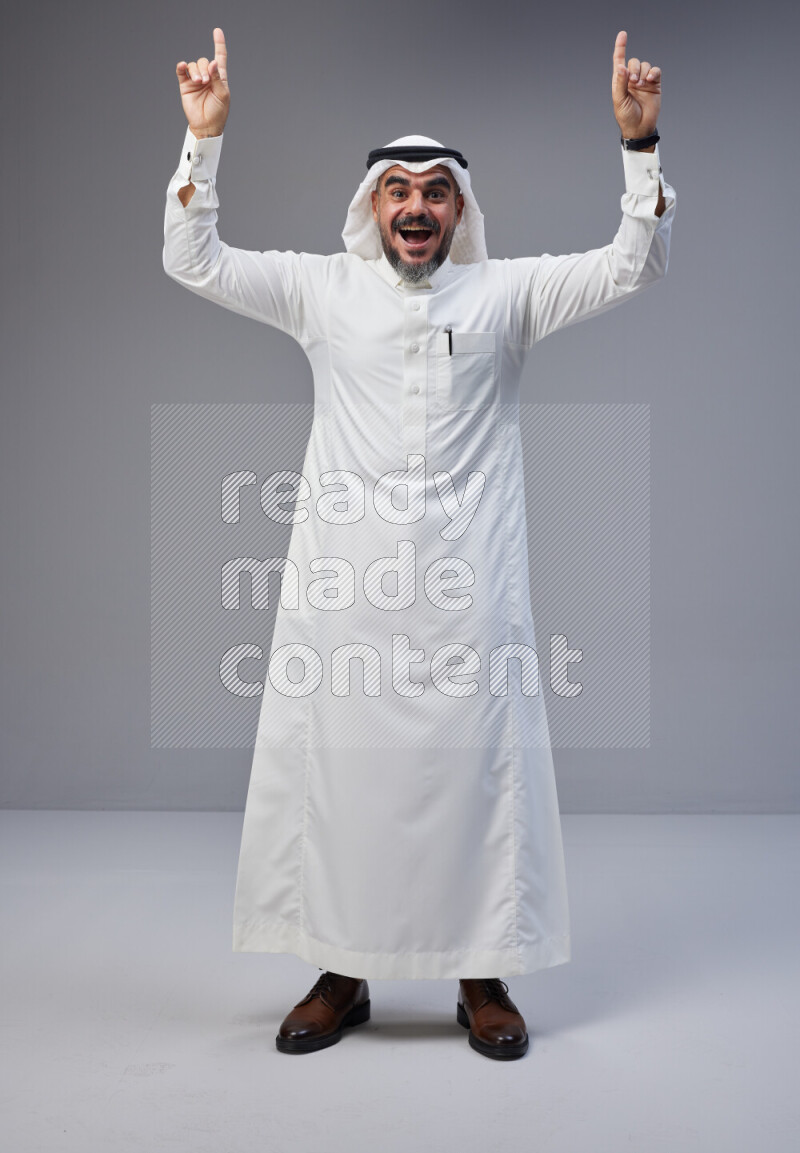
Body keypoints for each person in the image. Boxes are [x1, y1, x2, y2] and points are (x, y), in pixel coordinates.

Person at [163, 27, 675, 1061]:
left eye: (434, 192)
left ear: (458, 210)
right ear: (370, 209)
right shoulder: (322, 291)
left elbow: (635, 262)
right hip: (344, 591)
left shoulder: (508, 295)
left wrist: (639, 144)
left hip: (468, 591)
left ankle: (480, 977)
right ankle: (340, 973)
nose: (413, 207)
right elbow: (192, 257)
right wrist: (203, 141)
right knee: (346, 780)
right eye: (396, 190)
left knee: (476, 774)